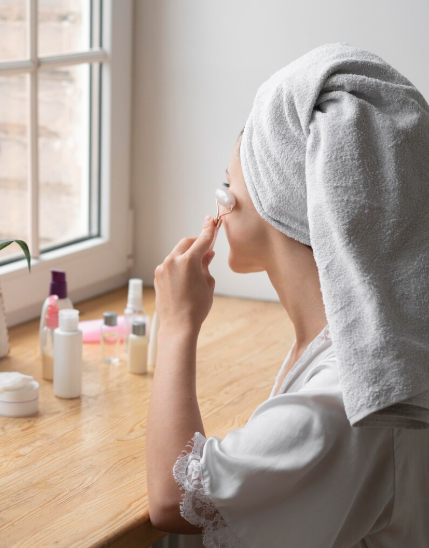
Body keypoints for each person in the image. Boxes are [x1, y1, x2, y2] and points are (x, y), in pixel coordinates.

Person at [146, 43, 429, 548]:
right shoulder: (381, 342)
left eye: (227, 183)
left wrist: (176, 326)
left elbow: (174, 501)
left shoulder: (350, 400)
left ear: (278, 199)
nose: (219, 201)